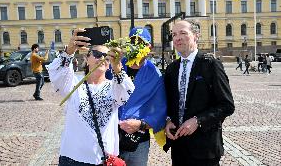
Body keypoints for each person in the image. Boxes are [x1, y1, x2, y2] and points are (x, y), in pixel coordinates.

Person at [48, 28, 135, 166]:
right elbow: (56, 75)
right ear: (86, 58)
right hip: (72, 159)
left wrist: (117, 67)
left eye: (107, 56)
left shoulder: (114, 87)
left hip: (103, 160)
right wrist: (69, 51)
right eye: (96, 54)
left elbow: (126, 92)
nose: (102, 58)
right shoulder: (73, 83)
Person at [164, 20, 235, 166]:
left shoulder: (210, 65)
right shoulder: (171, 69)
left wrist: (198, 121)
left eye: (183, 33)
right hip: (179, 147)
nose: (177, 38)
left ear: (196, 36)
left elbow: (226, 105)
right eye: (174, 34)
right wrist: (168, 120)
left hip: (205, 148)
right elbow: (169, 102)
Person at [118, 27, 167, 166]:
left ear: (149, 47)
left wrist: (141, 124)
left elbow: (160, 109)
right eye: (133, 42)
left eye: (141, 43)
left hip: (138, 140)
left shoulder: (154, 74)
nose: (136, 46)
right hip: (112, 136)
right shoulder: (115, 66)